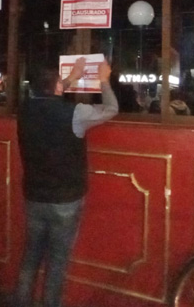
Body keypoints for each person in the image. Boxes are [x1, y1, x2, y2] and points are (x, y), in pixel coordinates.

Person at [14, 57, 119, 307]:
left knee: (30, 257)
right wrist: (103, 80)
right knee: (57, 263)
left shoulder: (24, 109)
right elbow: (111, 108)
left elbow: (50, 94)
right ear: (57, 87)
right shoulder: (75, 113)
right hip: (65, 200)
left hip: (34, 197)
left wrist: (71, 77)